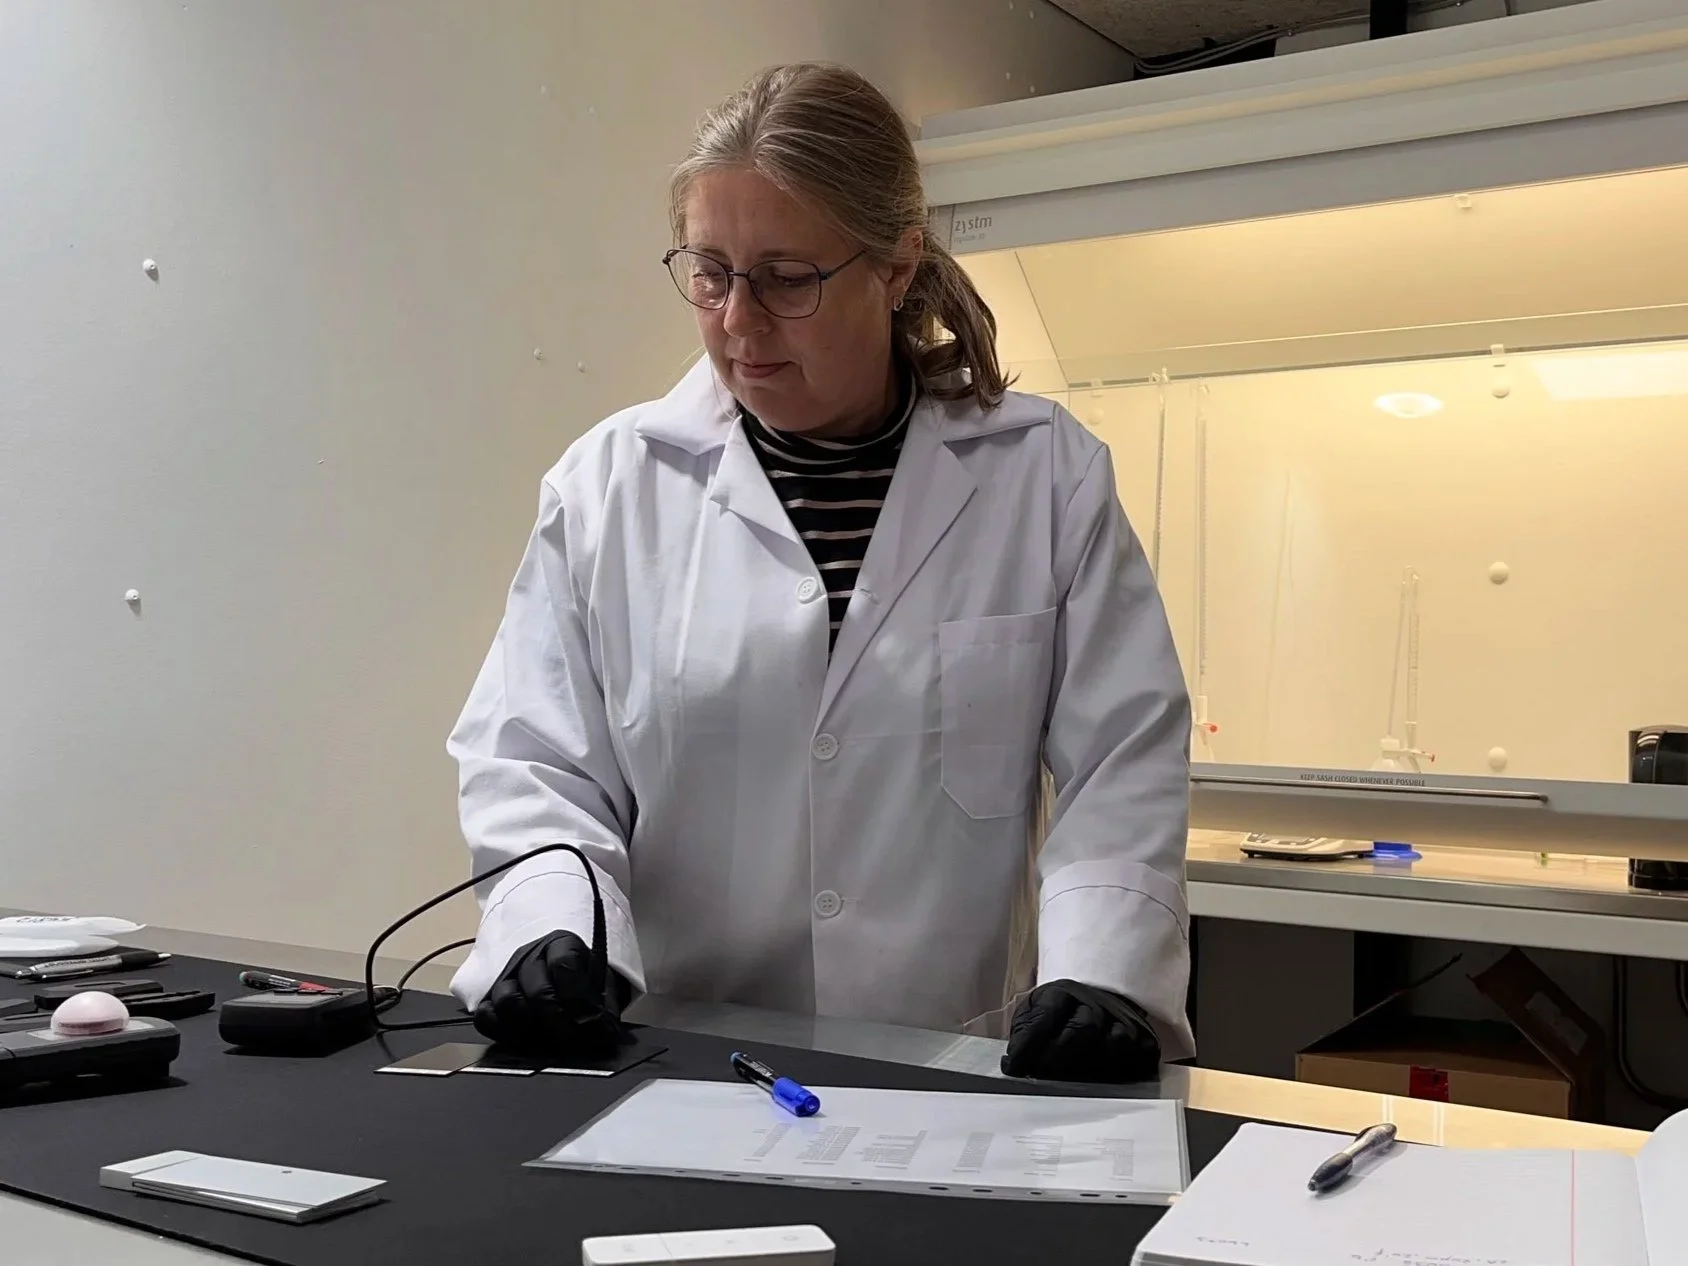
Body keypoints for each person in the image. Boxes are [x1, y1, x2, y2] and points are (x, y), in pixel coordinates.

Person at [447, 63, 1194, 1082]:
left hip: (949, 1064)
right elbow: (534, 757)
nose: (738, 325)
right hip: (677, 1063)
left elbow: (1123, 755)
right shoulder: (611, 486)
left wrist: (1103, 968)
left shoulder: (1041, 475)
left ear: (895, 267)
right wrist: (551, 926)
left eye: (786, 279)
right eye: (710, 273)